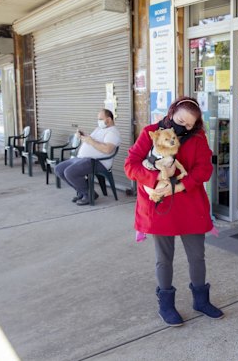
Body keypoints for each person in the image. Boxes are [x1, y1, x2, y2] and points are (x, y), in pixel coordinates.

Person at [124, 96, 223, 327]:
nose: (183, 127)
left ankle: (201, 300)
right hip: (160, 209)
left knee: (197, 257)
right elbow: (131, 165)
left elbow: (204, 170)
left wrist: (176, 187)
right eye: (180, 120)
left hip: (190, 206)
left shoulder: (198, 138)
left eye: (189, 125)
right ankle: (166, 305)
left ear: (195, 125)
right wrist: (157, 177)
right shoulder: (150, 132)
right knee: (164, 259)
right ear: (171, 113)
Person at [55, 109, 121, 206]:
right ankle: (83, 192)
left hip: (98, 162)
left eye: (100, 119)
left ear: (109, 119)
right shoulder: (100, 129)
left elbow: (108, 149)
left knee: (69, 172)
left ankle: (88, 195)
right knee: (59, 169)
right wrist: (83, 135)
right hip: (82, 158)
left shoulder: (113, 132)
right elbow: (91, 139)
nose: (99, 121)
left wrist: (91, 141)